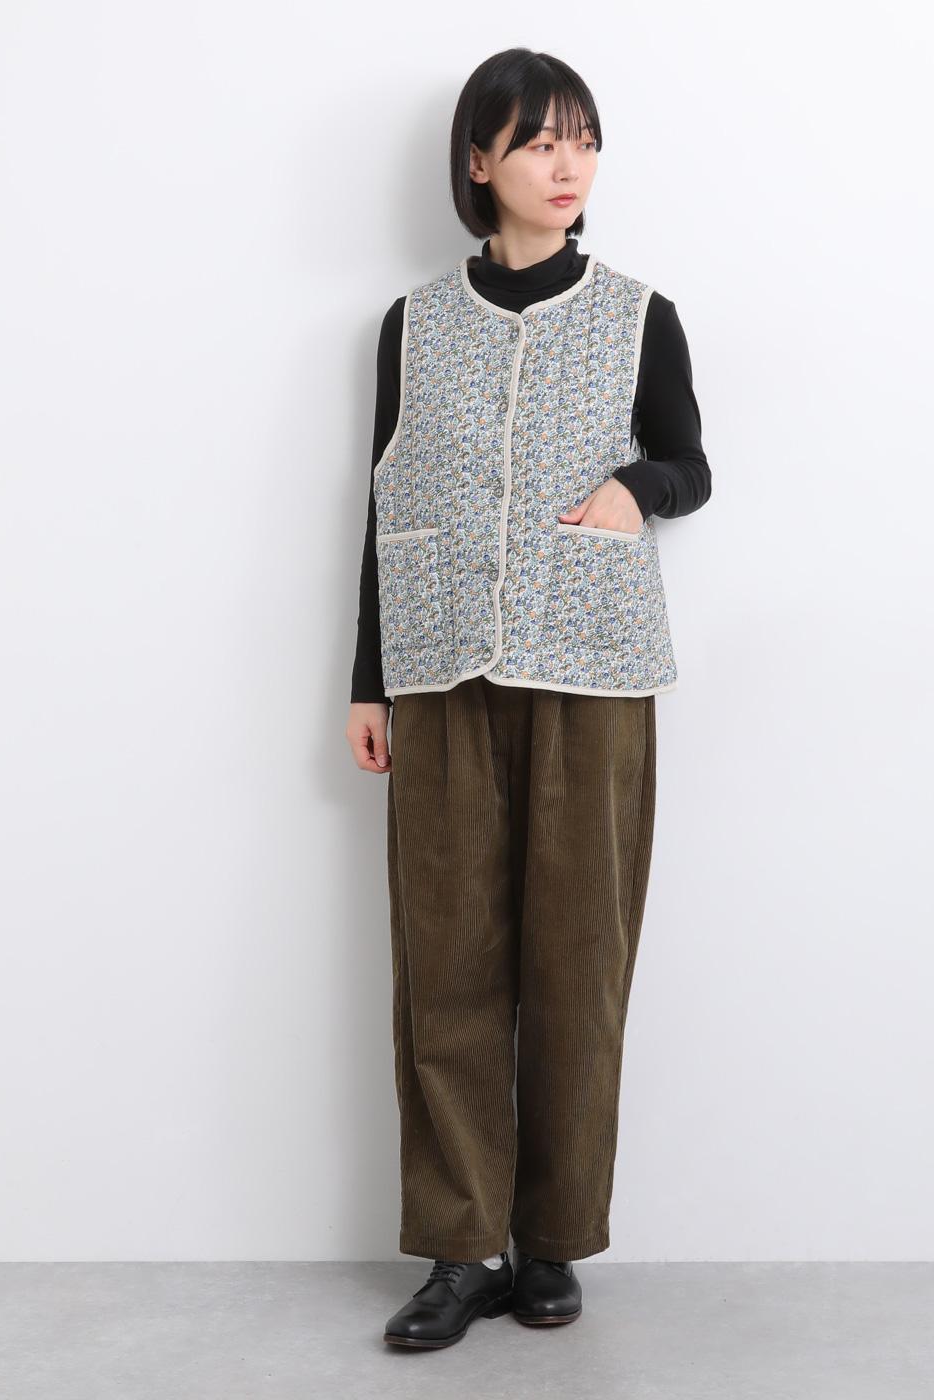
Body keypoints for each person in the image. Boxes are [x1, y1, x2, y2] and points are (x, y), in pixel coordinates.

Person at [345, 47, 712, 1350]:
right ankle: (461, 1250)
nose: (569, 165)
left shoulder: (640, 314)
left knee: (576, 968)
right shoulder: (411, 324)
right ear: (479, 159)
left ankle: (551, 1242)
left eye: (584, 140)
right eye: (542, 141)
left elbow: (691, 464)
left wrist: (635, 490)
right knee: (444, 967)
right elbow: (385, 504)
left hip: (593, 674)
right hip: (441, 675)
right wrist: (369, 681)